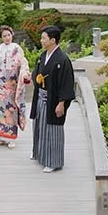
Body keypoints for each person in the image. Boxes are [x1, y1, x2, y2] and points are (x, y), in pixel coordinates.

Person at [30, 25, 75, 173]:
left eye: (44, 38)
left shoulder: (62, 59)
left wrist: (61, 103)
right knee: (40, 127)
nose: (41, 40)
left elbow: (66, 83)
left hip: (54, 100)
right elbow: (37, 73)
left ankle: (54, 161)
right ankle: (40, 154)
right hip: (41, 98)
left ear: (53, 40)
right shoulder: (43, 56)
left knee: (52, 130)